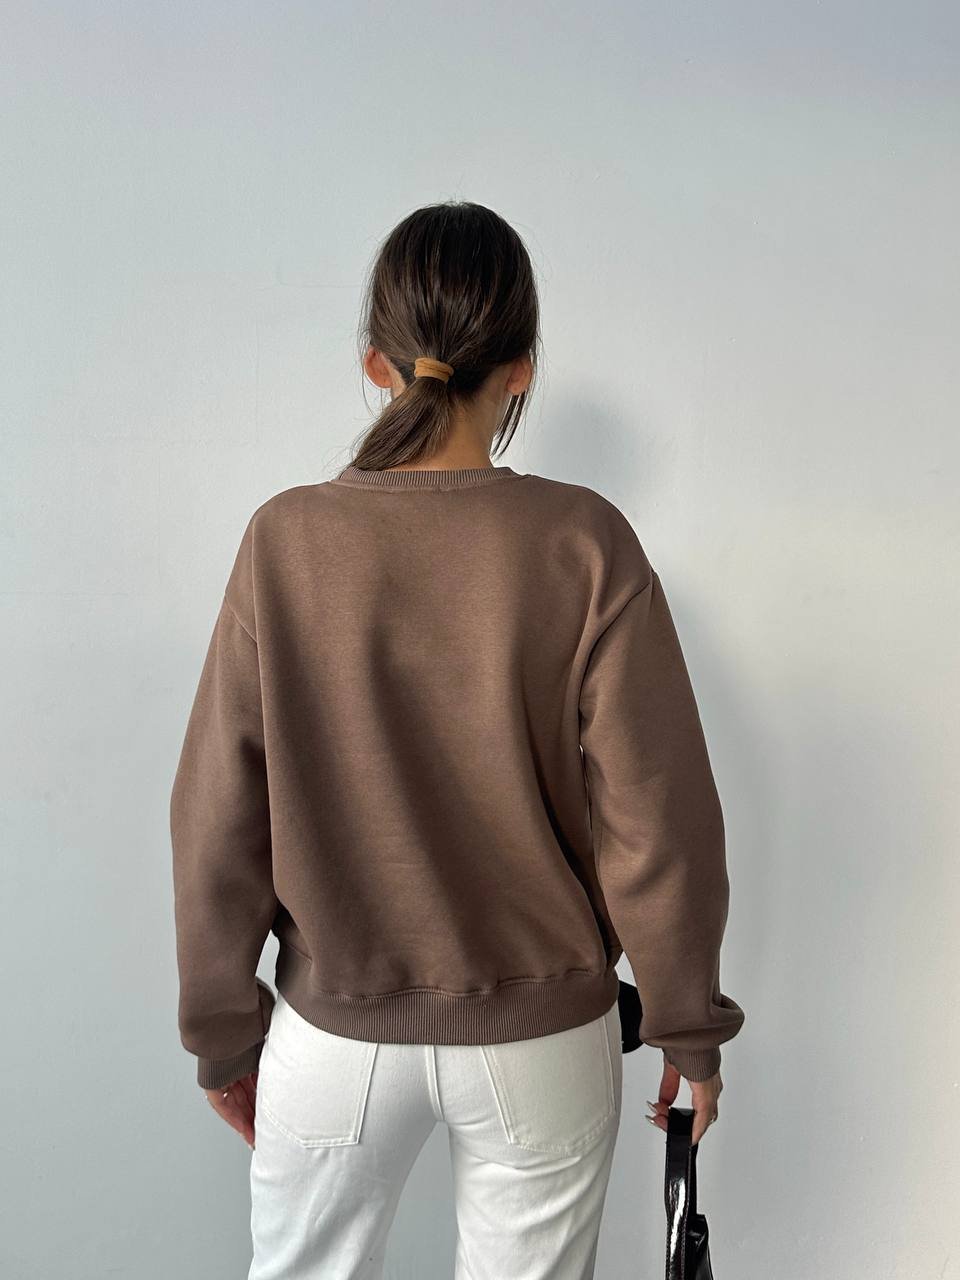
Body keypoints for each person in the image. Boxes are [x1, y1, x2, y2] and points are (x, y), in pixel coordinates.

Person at [169, 200, 745, 1280]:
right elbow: (656, 816)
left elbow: (217, 816)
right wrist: (687, 1026)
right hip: (543, 1034)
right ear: (520, 370)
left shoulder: (285, 541)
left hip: (334, 1036)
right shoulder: (584, 540)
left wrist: (222, 1032)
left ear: (375, 362)